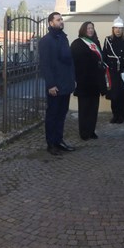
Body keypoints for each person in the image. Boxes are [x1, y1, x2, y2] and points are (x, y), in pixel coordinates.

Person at [39, 11, 76, 156]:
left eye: (62, 19)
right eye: (58, 19)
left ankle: (59, 141)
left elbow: (69, 62)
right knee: (52, 115)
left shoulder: (63, 38)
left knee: (62, 114)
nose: (61, 21)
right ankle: (51, 144)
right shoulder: (46, 41)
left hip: (66, 83)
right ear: (51, 23)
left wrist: (72, 79)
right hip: (55, 85)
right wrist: (50, 85)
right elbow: (45, 65)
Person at [71, 21, 107, 140]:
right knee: (84, 109)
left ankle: (91, 130)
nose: (90, 30)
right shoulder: (77, 43)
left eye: (92, 28)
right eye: (88, 28)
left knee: (93, 109)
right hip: (84, 82)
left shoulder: (96, 42)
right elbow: (75, 63)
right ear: (83, 30)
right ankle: (84, 132)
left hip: (95, 82)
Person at [102, 17, 124, 124]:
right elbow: (104, 54)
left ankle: (121, 115)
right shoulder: (108, 40)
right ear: (113, 29)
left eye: (120, 28)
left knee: (123, 93)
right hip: (112, 70)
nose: (118, 30)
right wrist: (105, 66)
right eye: (116, 28)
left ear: (123, 29)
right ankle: (115, 114)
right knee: (114, 94)